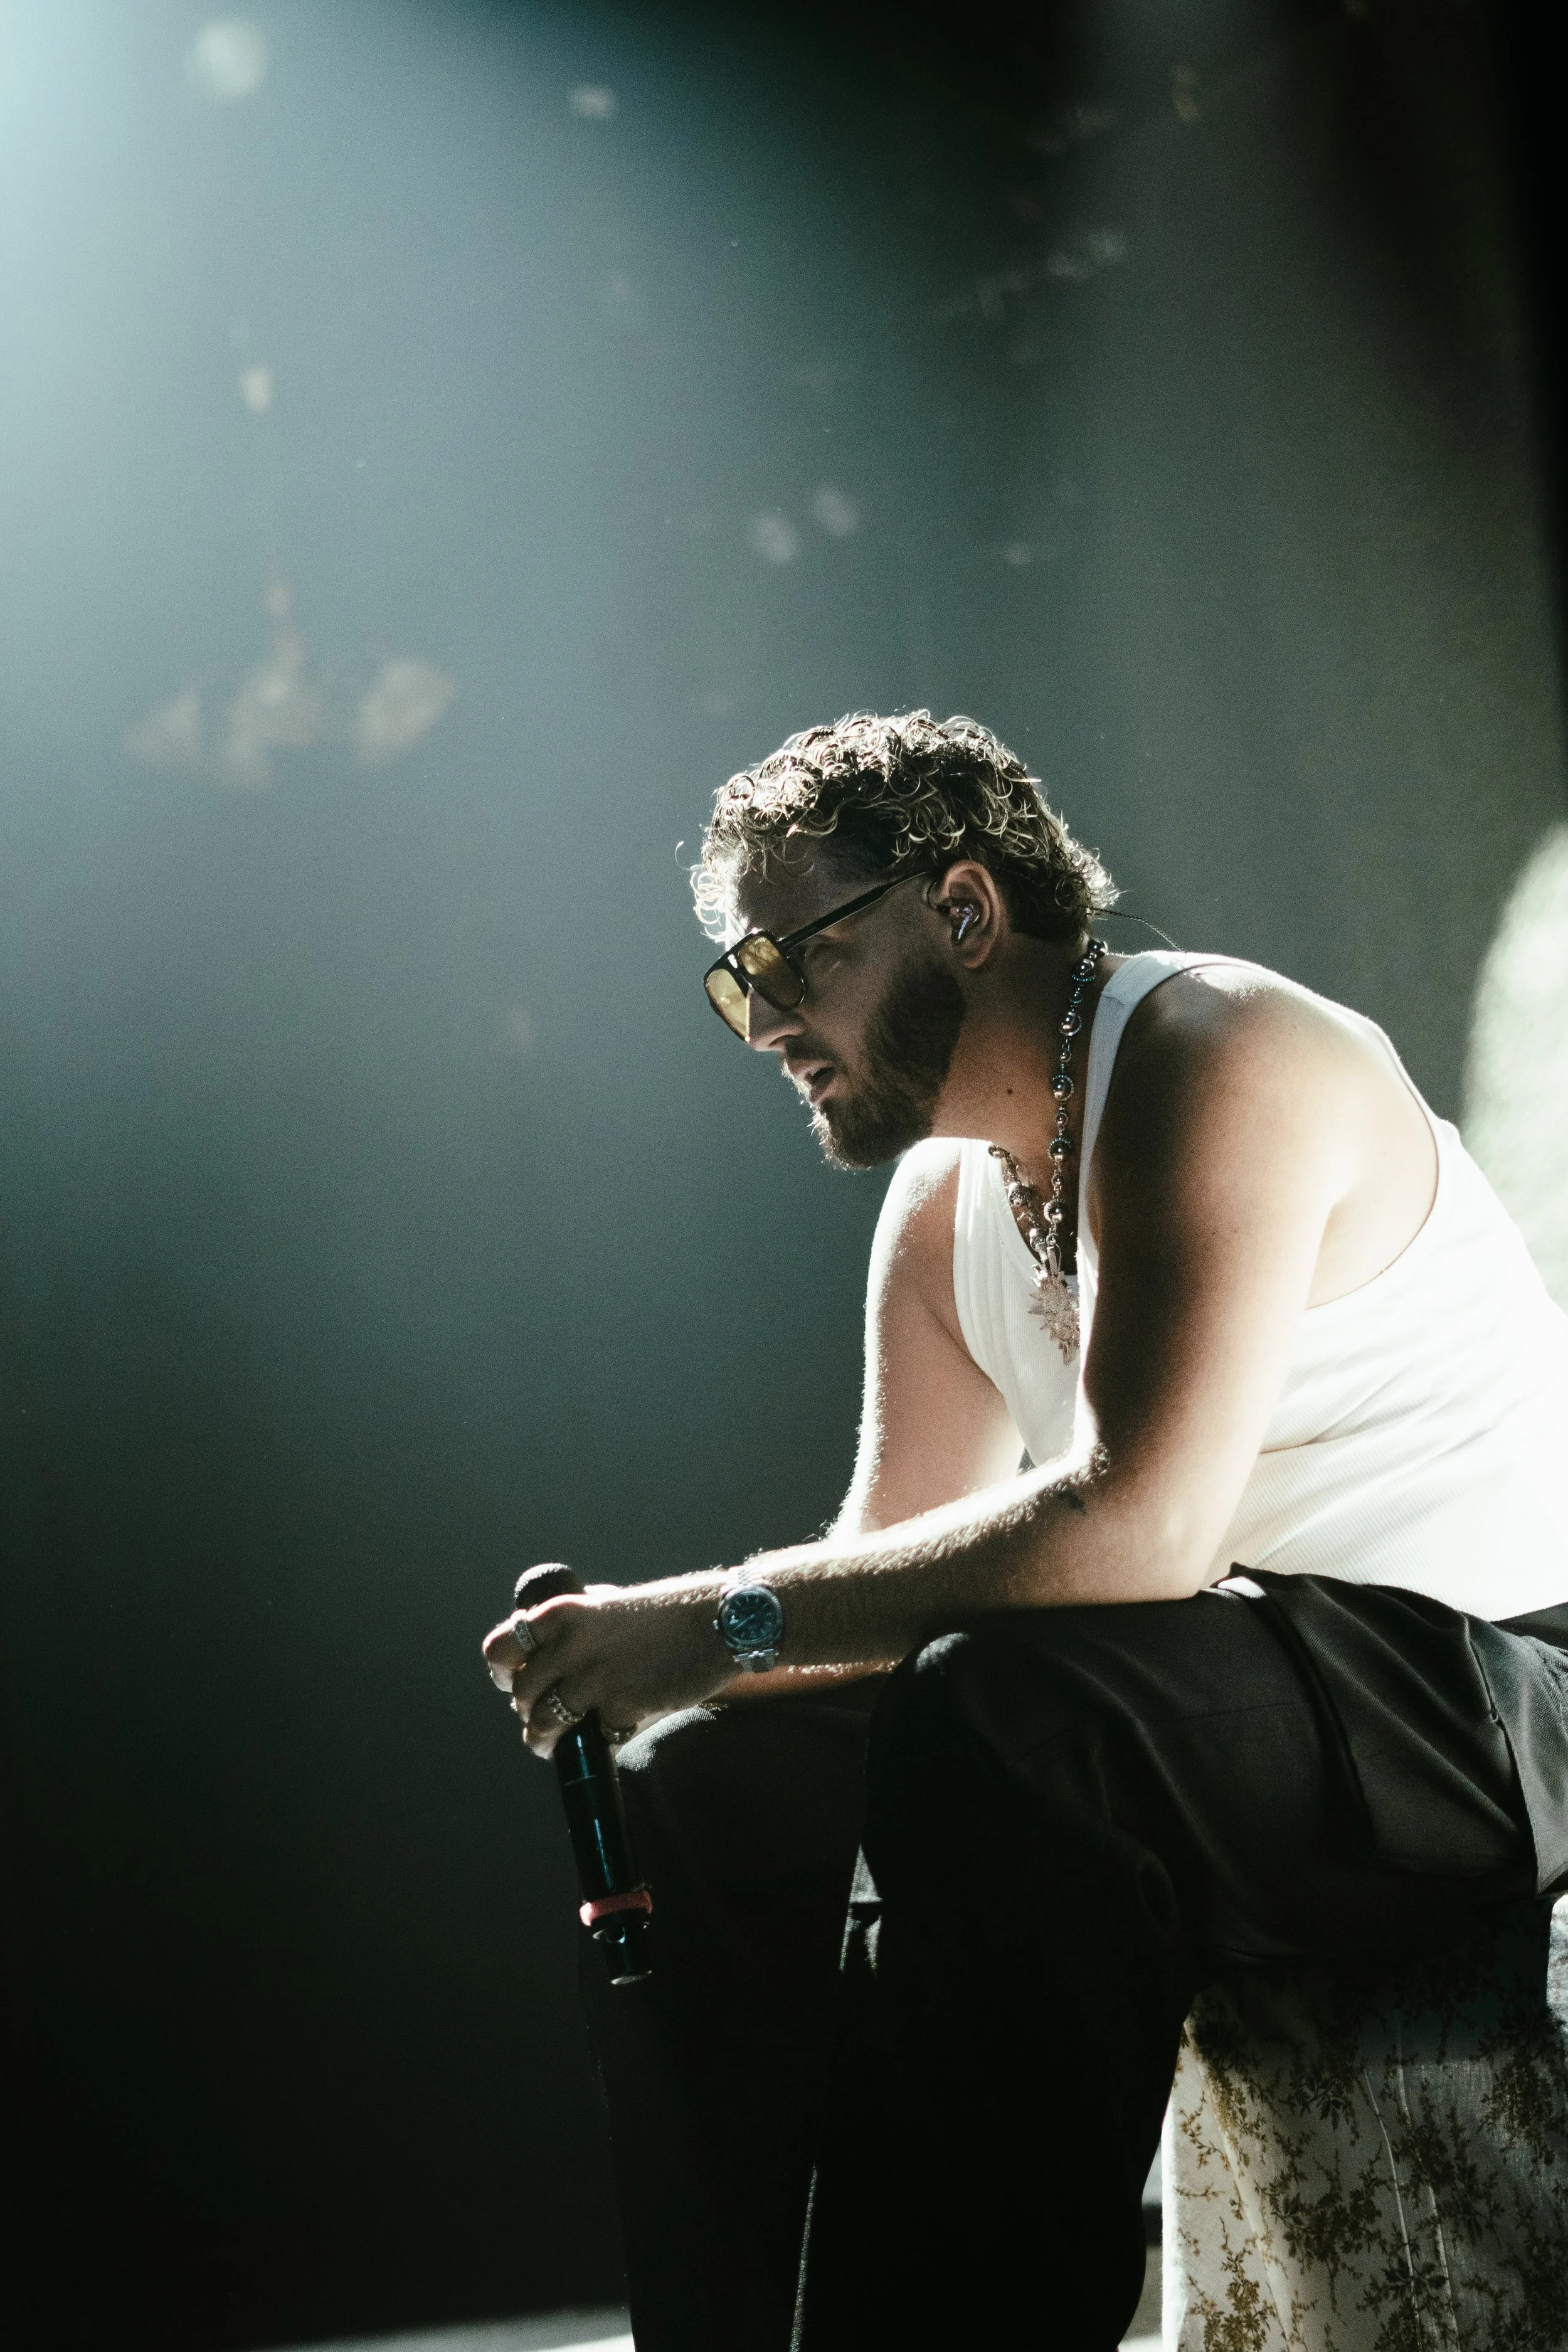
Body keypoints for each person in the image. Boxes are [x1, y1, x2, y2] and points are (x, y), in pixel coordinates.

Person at [482, 711, 1568, 2351]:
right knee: (702, 1772)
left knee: (1010, 1715)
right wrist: (663, 1663)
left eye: (787, 956)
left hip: (1486, 1702)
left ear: (963, 908)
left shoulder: (1212, 1047)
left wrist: (709, 1614)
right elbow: (887, 1576)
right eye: (734, 980)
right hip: (1234, 1713)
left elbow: (1143, 1524)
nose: (761, 1017)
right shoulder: (939, 1204)